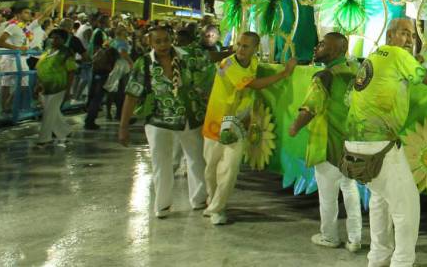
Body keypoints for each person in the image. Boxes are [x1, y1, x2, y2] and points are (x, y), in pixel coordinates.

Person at [343, 18, 427, 267]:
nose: (408, 40)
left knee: (381, 200)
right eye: (404, 33)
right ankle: (402, 262)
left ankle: (378, 258)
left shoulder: (375, 55)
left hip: (355, 143)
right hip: (378, 145)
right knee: (407, 206)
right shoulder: (396, 54)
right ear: (390, 36)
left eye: (412, 36)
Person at [200, 31, 295, 225]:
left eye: (246, 46)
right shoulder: (228, 64)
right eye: (239, 45)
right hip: (216, 121)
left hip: (237, 123)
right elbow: (255, 85)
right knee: (211, 168)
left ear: (255, 48)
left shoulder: (253, 63)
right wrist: (285, 73)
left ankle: (218, 208)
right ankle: (212, 200)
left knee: (230, 169)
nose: (241, 49)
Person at [118, 26, 211, 219]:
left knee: (196, 160)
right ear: (150, 43)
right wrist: (123, 127)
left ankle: (199, 199)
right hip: (158, 121)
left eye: (166, 40)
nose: (163, 45)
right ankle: (163, 206)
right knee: (162, 164)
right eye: (158, 41)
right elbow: (132, 94)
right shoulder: (144, 64)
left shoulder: (187, 57)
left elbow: (210, 59)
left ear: (172, 39)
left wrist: (236, 53)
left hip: (189, 118)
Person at [289, 33, 363, 251]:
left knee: (328, 194)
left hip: (328, 143)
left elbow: (310, 108)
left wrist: (295, 126)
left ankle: (330, 236)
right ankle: (355, 238)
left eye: (321, 44)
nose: (316, 47)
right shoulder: (355, 71)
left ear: (336, 49)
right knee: (350, 189)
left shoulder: (324, 76)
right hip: (351, 141)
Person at [34, 29, 78, 146]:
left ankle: (44, 139)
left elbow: (71, 71)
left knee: (48, 114)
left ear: (63, 40)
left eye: (57, 38)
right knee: (53, 113)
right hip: (44, 88)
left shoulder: (66, 53)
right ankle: (65, 131)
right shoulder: (47, 52)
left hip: (59, 87)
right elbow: (39, 67)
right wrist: (38, 84)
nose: (53, 40)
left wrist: (68, 90)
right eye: (52, 38)